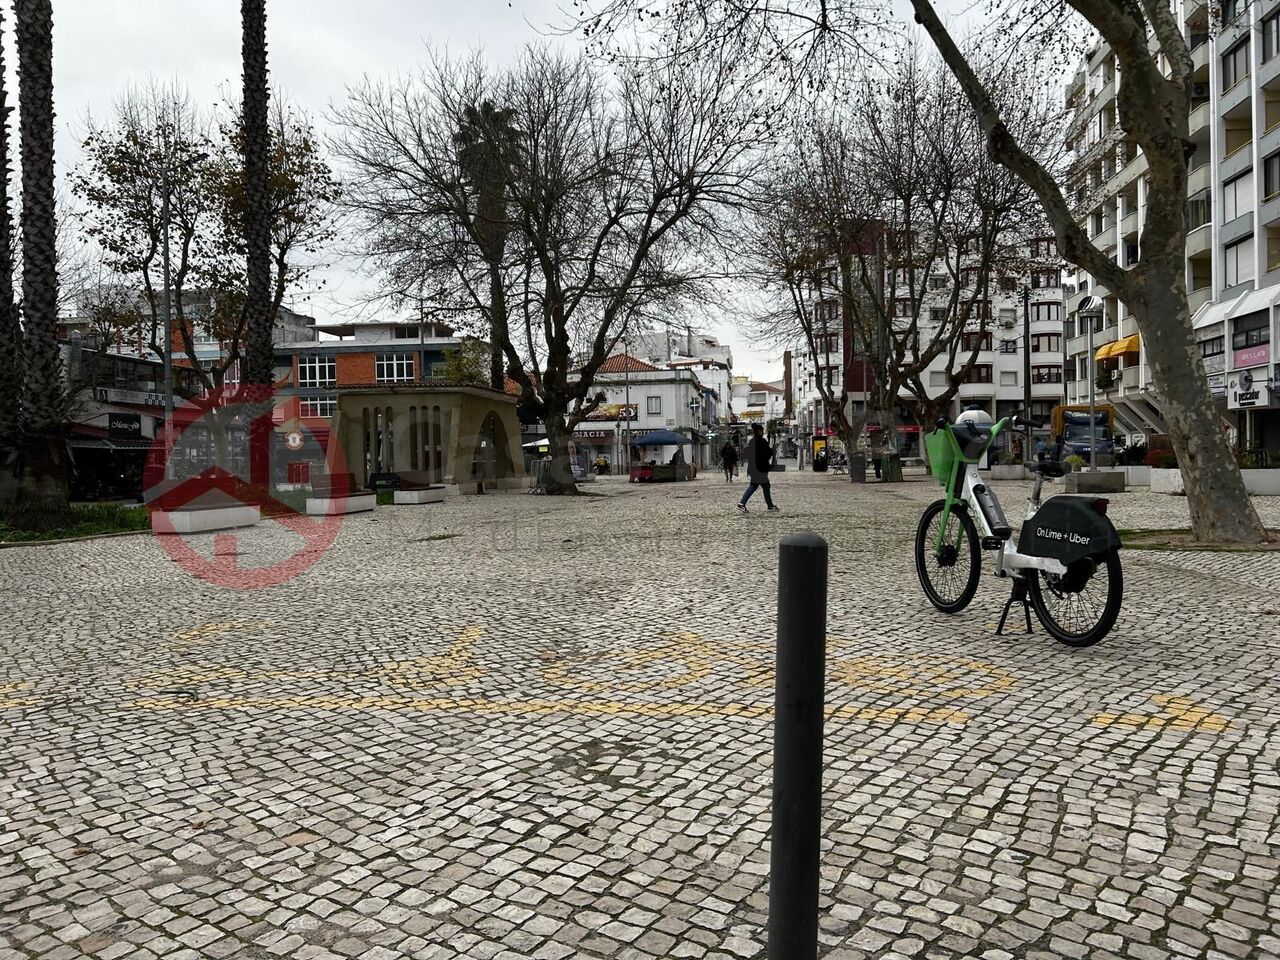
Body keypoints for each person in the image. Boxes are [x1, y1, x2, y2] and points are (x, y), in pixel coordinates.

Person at [737, 422, 779, 512]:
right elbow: (765, 455)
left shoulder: (753, 441)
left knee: (763, 486)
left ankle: (769, 505)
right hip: (760, 469)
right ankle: (742, 503)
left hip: (756, 468)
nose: (763, 432)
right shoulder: (761, 441)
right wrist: (771, 451)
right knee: (756, 486)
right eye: (761, 431)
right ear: (758, 431)